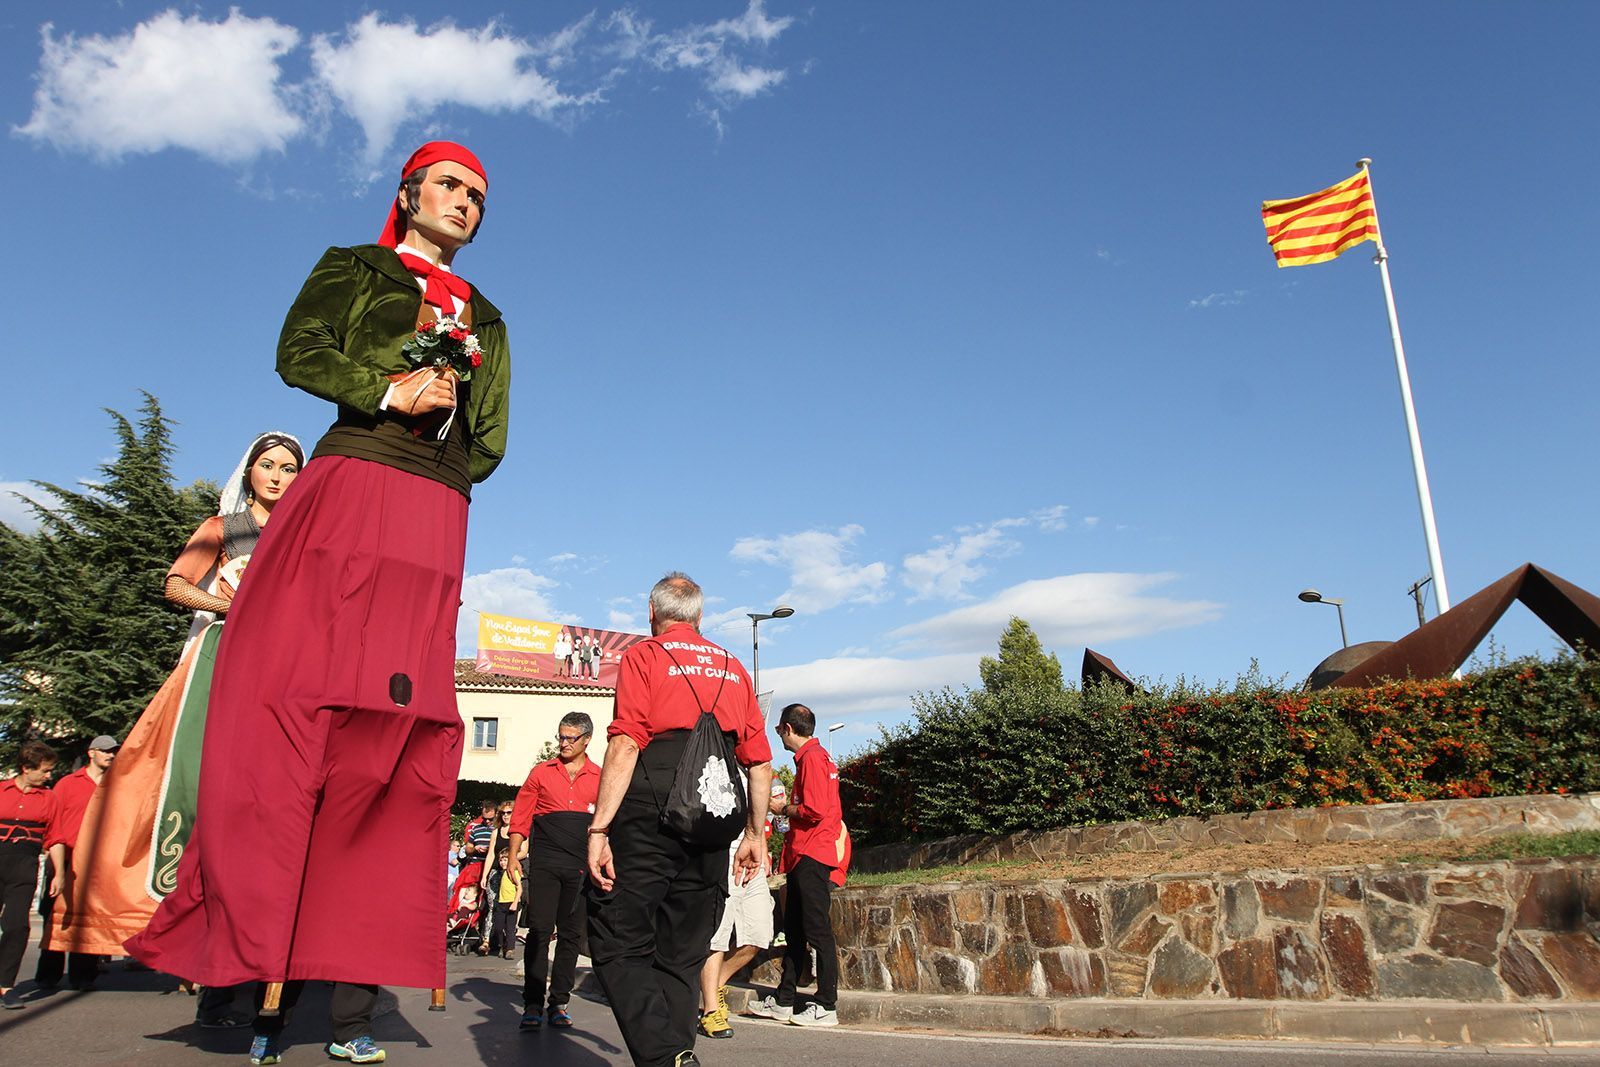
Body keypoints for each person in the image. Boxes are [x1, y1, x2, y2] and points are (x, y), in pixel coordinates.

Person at [126, 139, 510, 1067]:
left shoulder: (491, 316)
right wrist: (387, 393)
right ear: (409, 193)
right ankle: (249, 971)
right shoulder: (356, 267)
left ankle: (350, 1001)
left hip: (435, 512)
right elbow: (298, 351)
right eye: (451, 187)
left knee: (396, 731)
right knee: (294, 706)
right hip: (353, 480)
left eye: (479, 197)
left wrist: (443, 477)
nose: (466, 203)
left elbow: (493, 434)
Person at [49, 433, 303, 982]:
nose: (278, 477)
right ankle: (164, 916)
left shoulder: (303, 537)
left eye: (288, 468)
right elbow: (176, 585)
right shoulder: (224, 528)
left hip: (282, 665)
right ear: (250, 471)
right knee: (190, 778)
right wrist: (229, 606)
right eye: (268, 466)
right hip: (221, 655)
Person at [586, 573, 773, 1067]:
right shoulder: (734, 665)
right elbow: (759, 761)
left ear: (652, 613)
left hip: (653, 802)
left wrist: (600, 827)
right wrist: (756, 835)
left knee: (615, 933)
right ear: (700, 617)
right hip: (715, 811)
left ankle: (665, 1054)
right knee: (684, 950)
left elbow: (626, 741)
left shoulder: (644, 656)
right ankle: (675, 1053)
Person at [748, 704, 844, 1027]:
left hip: (811, 854)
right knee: (796, 931)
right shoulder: (817, 759)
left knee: (817, 931)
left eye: (778, 730)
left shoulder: (813, 760)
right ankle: (785, 999)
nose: (779, 736)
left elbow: (813, 809)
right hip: (805, 854)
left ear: (789, 729)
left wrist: (782, 808)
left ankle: (826, 1004)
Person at [507, 711, 601, 1031]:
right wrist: (512, 856)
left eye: (570, 738)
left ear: (587, 740)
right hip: (545, 863)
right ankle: (532, 1003)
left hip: (580, 867)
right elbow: (521, 816)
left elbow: (608, 824)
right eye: (560, 736)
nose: (563, 743)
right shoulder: (541, 773)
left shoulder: (600, 777)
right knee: (539, 931)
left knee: (571, 936)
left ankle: (558, 1002)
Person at [695, 769, 775, 1039]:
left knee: (759, 934)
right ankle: (710, 1010)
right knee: (717, 936)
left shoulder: (758, 764)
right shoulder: (716, 753)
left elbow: (760, 812)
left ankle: (714, 985)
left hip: (752, 857)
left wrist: (761, 848)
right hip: (723, 856)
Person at [35, 735, 118, 993]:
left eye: (114, 751)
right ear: (91, 752)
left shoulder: (118, 784)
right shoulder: (68, 784)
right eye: (105, 751)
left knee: (90, 918)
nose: (111, 755)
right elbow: (53, 818)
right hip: (66, 857)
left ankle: (84, 975)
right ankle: (49, 975)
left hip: (98, 861)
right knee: (54, 916)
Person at [2, 741, 59, 1009]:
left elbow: (55, 837)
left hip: (24, 863)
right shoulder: (1, 791)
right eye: (45, 771)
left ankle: (5, 986)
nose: (49, 775)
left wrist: (57, 872)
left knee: (16, 925)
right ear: (26, 768)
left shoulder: (50, 798)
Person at [485, 847, 521, 959]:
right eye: (501, 860)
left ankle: (510, 949)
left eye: (505, 860)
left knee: (510, 927)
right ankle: (502, 945)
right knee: (498, 927)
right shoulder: (501, 873)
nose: (502, 862)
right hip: (502, 902)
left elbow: (519, 888)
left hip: (511, 902)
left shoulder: (513, 872)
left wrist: (515, 902)